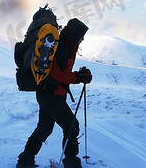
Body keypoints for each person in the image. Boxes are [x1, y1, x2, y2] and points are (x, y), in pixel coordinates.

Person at [16, 18, 93, 168]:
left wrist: (78, 74)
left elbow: (59, 72)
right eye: (81, 35)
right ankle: (71, 163)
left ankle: (25, 161)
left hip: (47, 94)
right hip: (51, 95)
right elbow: (58, 75)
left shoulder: (65, 45)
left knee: (44, 128)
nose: (83, 39)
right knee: (71, 126)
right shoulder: (64, 47)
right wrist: (79, 77)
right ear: (75, 34)